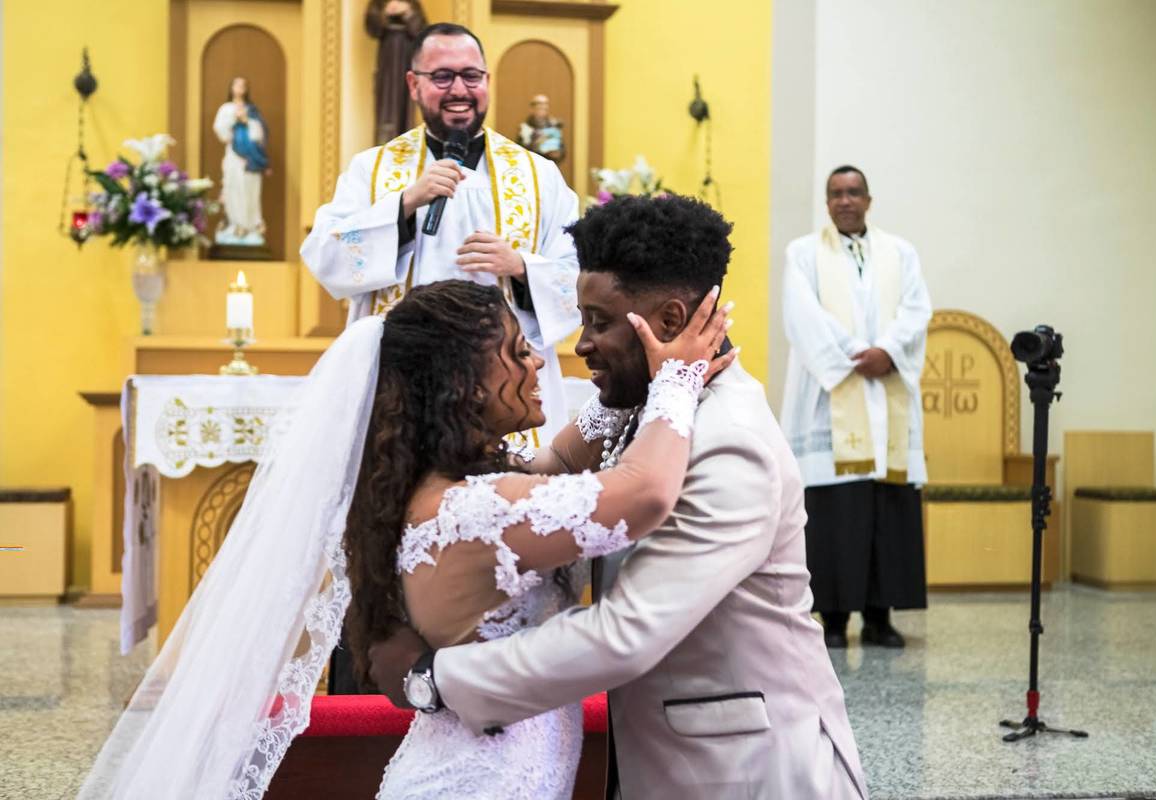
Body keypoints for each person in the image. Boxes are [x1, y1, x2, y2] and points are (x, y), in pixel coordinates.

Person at [77, 277, 734, 800]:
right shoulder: (471, 510)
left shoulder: (450, 487)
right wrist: (678, 379)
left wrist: (627, 388)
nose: (539, 360)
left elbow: (559, 463)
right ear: (461, 383)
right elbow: (643, 496)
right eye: (516, 350)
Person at [368, 195, 868, 800]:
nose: (578, 346)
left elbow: (626, 631)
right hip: (655, 758)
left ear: (669, 321)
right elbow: (550, 471)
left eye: (599, 321)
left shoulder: (728, 439)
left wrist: (434, 680)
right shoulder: (649, 408)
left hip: (746, 769)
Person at [300, 22, 580, 443]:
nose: (459, 90)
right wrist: (403, 206)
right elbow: (325, 256)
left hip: (506, 386)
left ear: (487, 81)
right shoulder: (373, 170)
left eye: (471, 76)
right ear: (413, 84)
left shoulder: (540, 176)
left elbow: (580, 275)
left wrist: (521, 266)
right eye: (442, 77)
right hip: (403, 382)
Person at [779, 165, 932, 649]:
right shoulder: (803, 253)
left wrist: (887, 351)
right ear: (827, 203)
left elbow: (917, 309)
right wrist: (854, 355)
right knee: (834, 512)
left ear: (869, 199)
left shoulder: (900, 252)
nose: (845, 201)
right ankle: (835, 617)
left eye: (853, 193)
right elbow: (802, 314)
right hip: (831, 395)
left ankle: (880, 618)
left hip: (886, 393)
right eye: (835, 194)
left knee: (885, 507)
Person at [213, 76, 269, 246]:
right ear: (231, 87)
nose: (240, 87)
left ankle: (251, 226)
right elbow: (221, 132)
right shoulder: (226, 109)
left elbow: (260, 134)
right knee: (234, 189)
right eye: (237, 84)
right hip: (234, 157)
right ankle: (236, 224)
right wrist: (234, 118)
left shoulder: (252, 110)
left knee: (250, 191)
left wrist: (247, 120)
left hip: (250, 159)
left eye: (243, 84)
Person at [365, 0, 427, 144]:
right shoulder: (378, 3)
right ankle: (384, 144)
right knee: (387, 101)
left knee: (408, 102)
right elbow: (372, 29)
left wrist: (408, 13)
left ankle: (407, 143)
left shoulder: (413, 4)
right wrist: (384, 14)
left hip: (408, 55)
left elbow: (422, 31)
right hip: (388, 58)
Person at [517, 93, 565, 163]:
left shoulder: (554, 126)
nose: (542, 109)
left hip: (550, 164)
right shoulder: (525, 128)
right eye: (539, 106)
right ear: (532, 108)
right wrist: (536, 145)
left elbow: (562, 149)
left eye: (544, 107)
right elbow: (520, 150)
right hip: (533, 163)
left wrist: (558, 154)